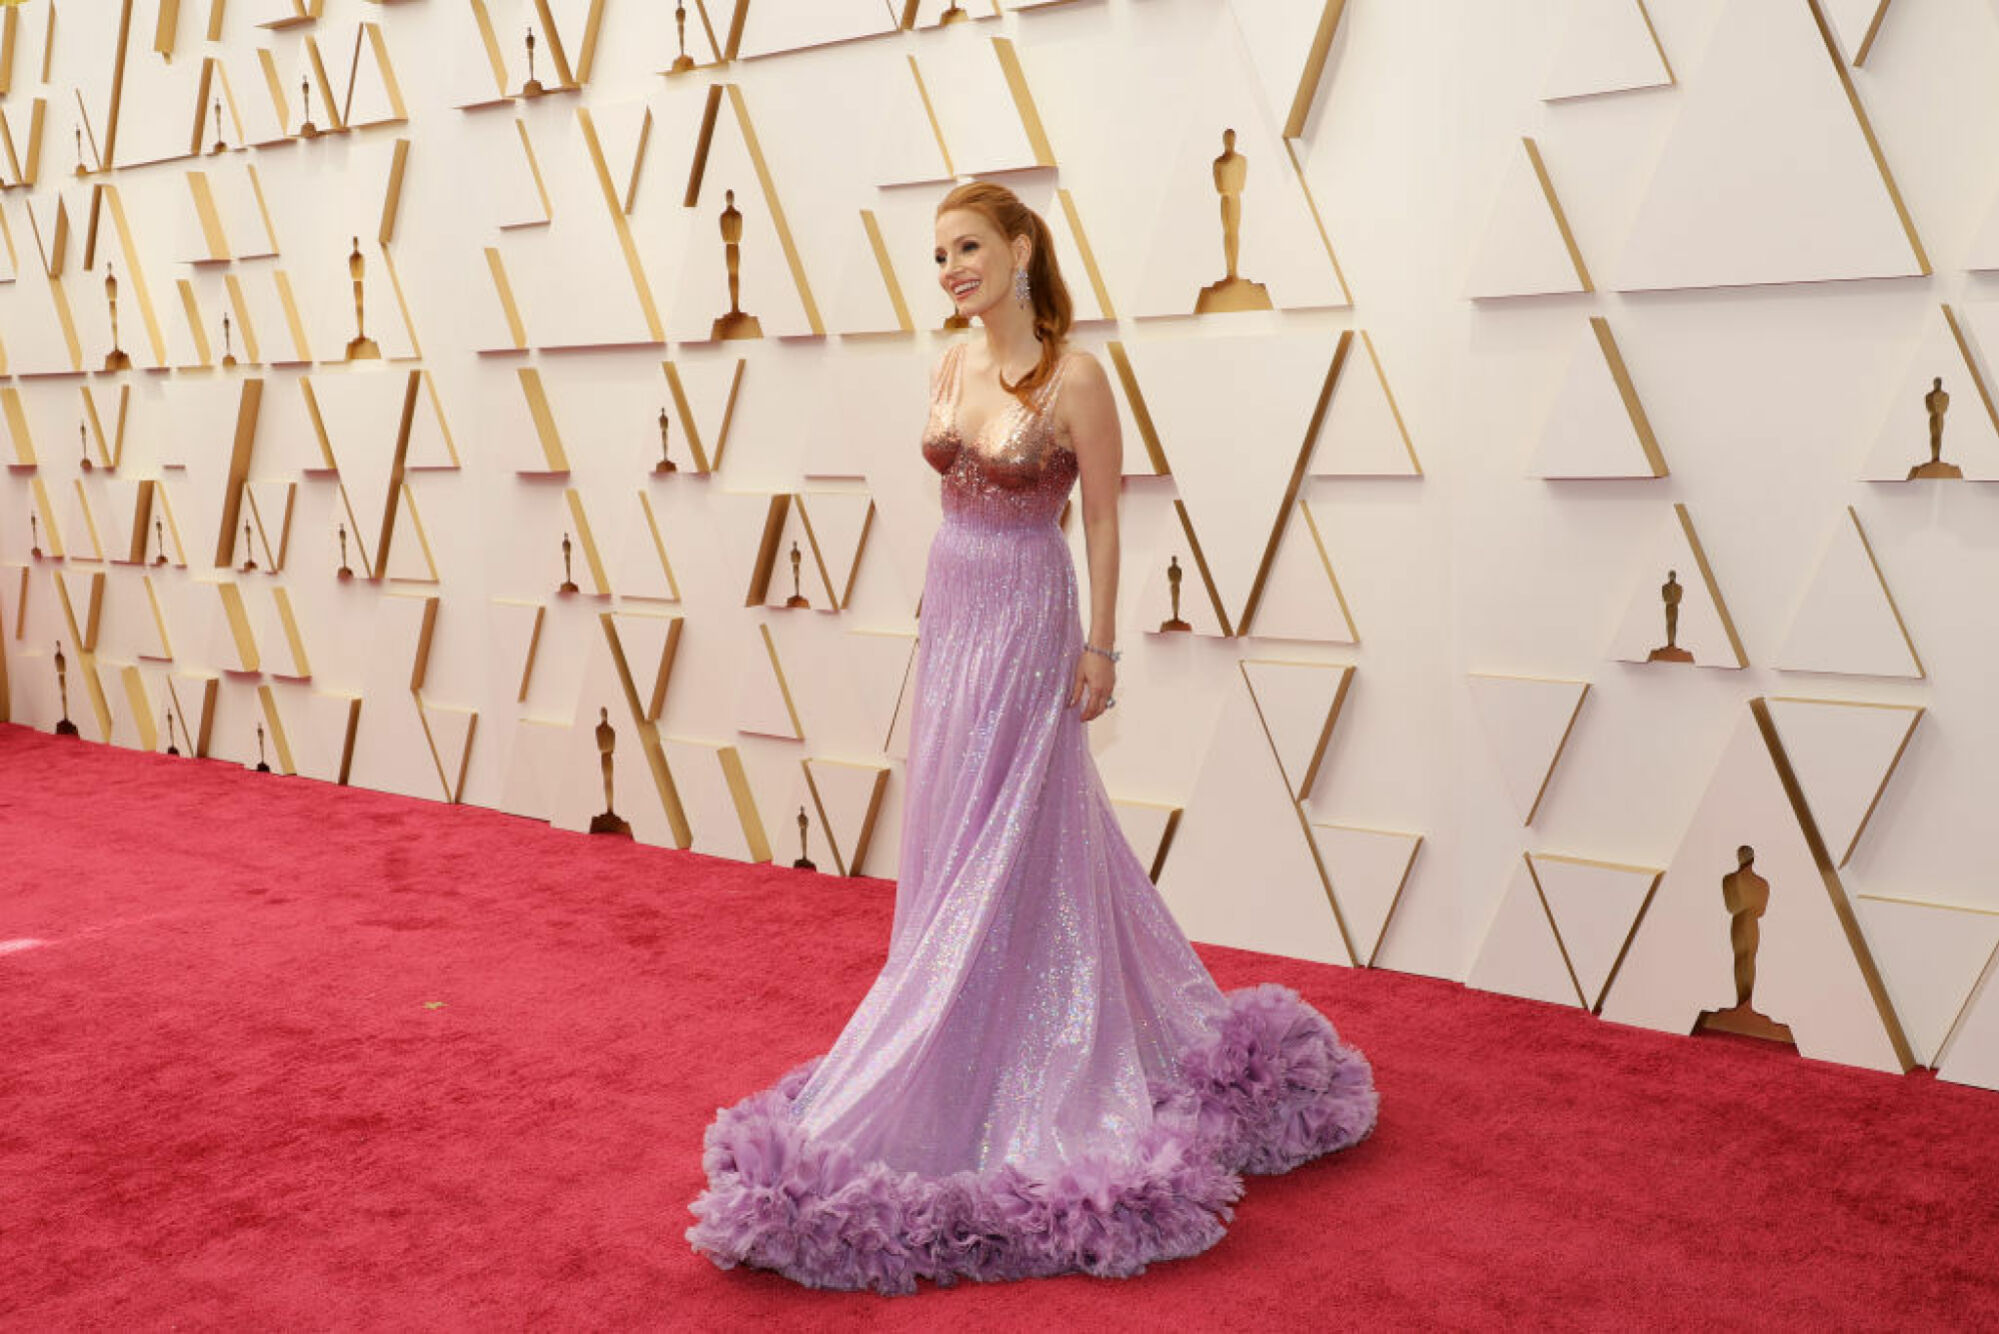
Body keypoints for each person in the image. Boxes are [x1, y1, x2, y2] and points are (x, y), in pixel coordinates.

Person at [686, 181, 1377, 1294]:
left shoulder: (1078, 375)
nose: (951, 267)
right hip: (952, 601)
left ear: (1020, 249)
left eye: (969, 247)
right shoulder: (952, 361)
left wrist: (1101, 647)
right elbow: (952, 483)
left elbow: (1103, 515)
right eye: (939, 253)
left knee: (1016, 815)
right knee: (956, 815)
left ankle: (1013, 1031)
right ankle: (951, 996)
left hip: (1027, 606)